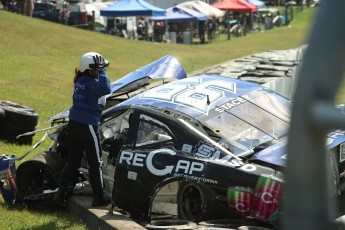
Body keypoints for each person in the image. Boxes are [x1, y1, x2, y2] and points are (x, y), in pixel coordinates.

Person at [53, 52, 111, 207]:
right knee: (95, 162)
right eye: (97, 69)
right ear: (90, 69)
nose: (99, 71)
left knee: (73, 161)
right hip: (88, 126)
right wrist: (103, 71)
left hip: (74, 123)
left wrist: (98, 69)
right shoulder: (93, 85)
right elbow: (106, 88)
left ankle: (60, 194)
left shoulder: (80, 79)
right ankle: (98, 197)